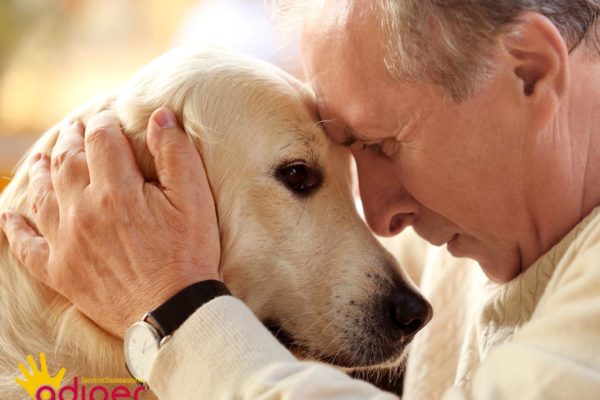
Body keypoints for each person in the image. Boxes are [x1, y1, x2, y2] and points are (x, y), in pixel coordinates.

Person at [2, 0, 600, 398]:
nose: (384, 217)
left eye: (384, 144)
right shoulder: (475, 229)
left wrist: (171, 308)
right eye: (346, 152)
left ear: (528, 71)